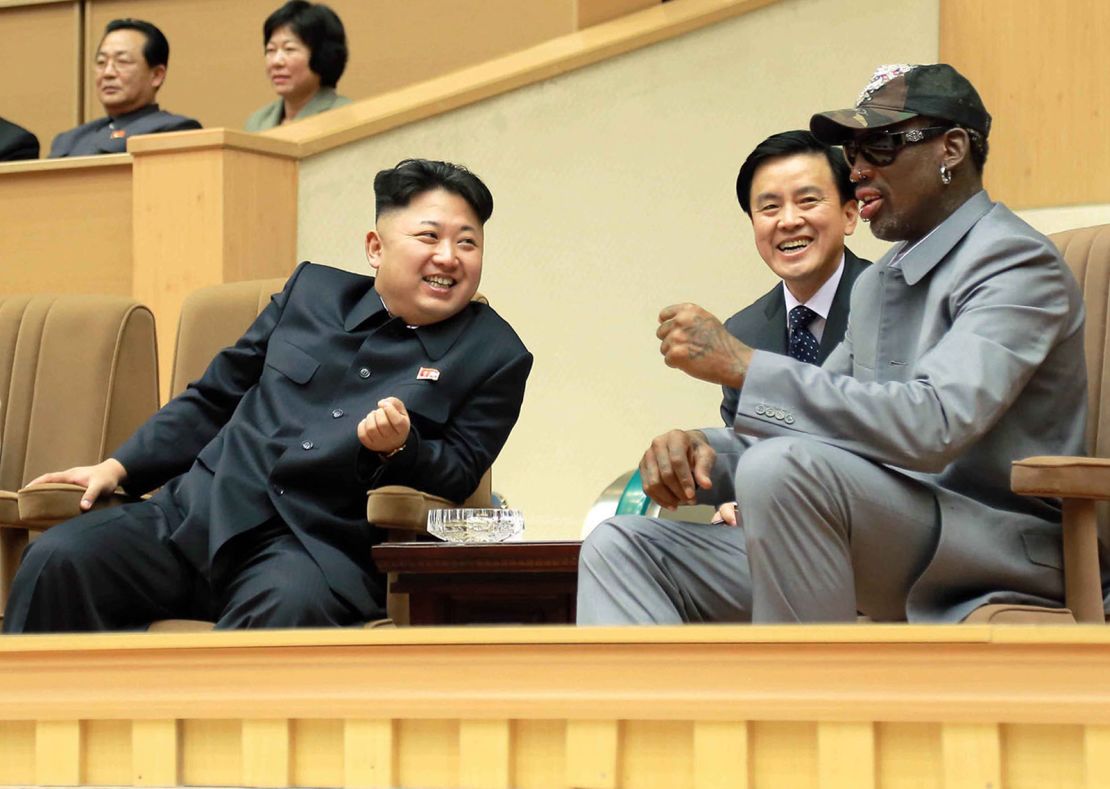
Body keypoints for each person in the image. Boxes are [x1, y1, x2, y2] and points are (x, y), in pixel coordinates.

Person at [578, 63, 1089, 625]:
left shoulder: (1015, 261)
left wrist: (744, 365)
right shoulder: (881, 279)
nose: (860, 170)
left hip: (993, 546)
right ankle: (657, 717)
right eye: (853, 153)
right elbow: (826, 418)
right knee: (621, 548)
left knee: (783, 469)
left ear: (952, 149)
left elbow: (936, 424)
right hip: (877, 529)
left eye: (881, 147)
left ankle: (803, 708)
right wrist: (704, 455)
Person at [4, 158, 533, 632]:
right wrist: (118, 468)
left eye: (467, 242)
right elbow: (214, 397)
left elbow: (463, 471)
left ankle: (205, 743)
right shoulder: (312, 293)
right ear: (375, 248)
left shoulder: (495, 354)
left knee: (285, 613)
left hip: (308, 547)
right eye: (429, 237)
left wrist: (402, 448)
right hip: (196, 514)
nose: (449, 257)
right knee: (60, 558)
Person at [719, 129, 868, 429]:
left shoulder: (894, 303)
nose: (788, 221)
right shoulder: (741, 333)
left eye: (808, 200)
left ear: (849, 215)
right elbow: (742, 447)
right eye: (770, 207)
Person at [49, 19, 200, 158]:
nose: (107, 73)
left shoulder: (174, 130)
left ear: (156, 75)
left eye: (122, 61)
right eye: (101, 62)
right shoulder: (69, 139)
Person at [245, 1, 351, 132]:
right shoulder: (257, 122)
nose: (276, 62)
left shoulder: (347, 117)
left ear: (322, 55)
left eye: (289, 49)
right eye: (271, 50)